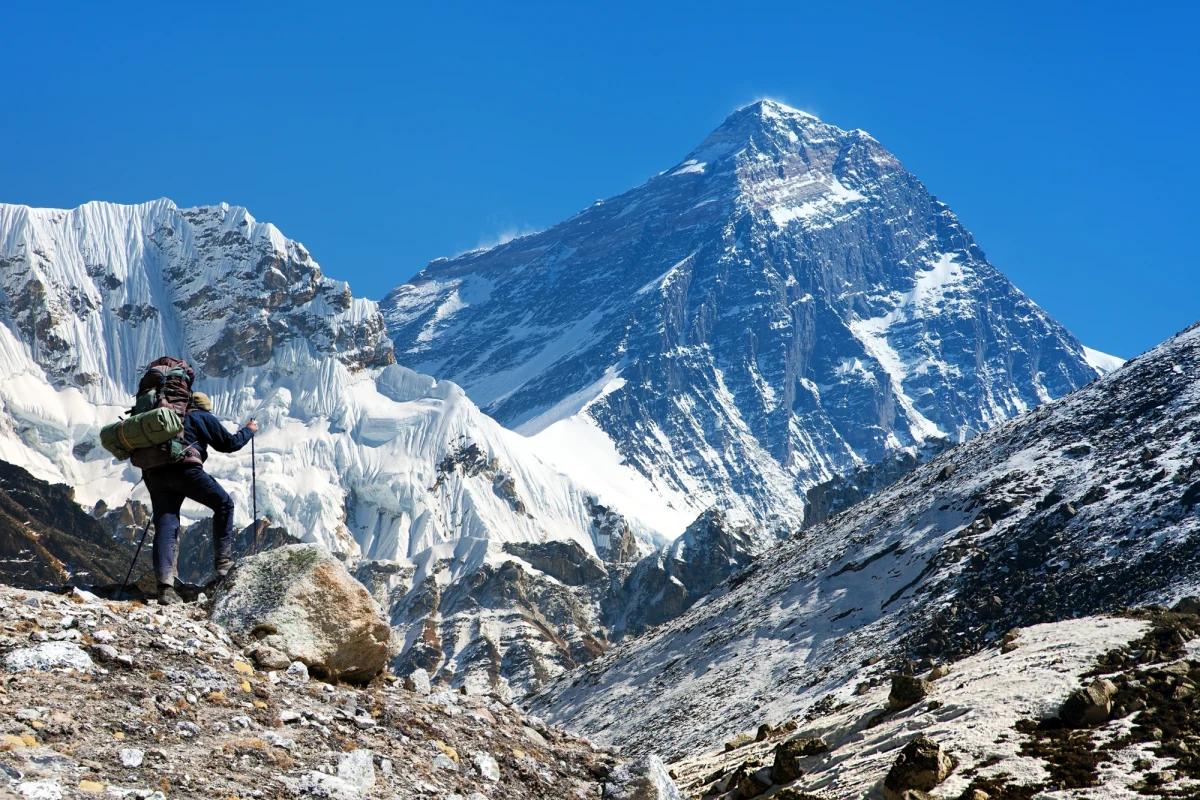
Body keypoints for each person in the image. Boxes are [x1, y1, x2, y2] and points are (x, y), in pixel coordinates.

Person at [142, 391, 258, 604]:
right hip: (185, 471)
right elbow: (229, 444)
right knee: (224, 504)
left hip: (155, 474)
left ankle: (165, 589)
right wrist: (249, 430)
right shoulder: (201, 416)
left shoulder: (165, 419)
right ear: (205, 407)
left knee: (166, 525)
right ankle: (224, 565)